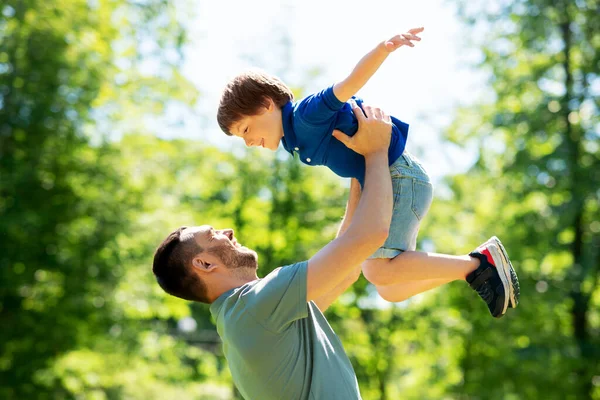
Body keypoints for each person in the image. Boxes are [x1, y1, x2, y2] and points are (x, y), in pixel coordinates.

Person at [153, 104, 519, 399]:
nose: (226, 231)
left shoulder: (250, 318)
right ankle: (477, 264)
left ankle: (475, 266)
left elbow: (346, 269)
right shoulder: (254, 306)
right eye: (213, 234)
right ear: (203, 262)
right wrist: (375, 154)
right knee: (385, 277)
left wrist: (358, 172)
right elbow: (370, 235)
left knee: (386, 283)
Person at [216, 28, 520, 317]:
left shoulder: (307, 115)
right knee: (391, 290)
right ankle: (476, 268)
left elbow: (349, 84)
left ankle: (479, 264)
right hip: (386, 180)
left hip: (401, 177)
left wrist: (383, 49)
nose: (248, 142)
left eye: (246, 130)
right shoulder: (292, 141)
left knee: (377, 269)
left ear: (267, 105)